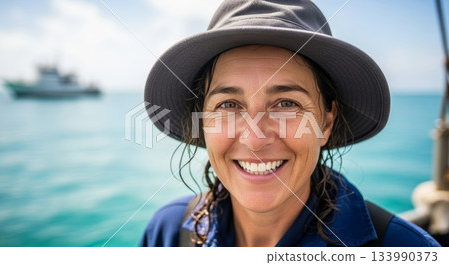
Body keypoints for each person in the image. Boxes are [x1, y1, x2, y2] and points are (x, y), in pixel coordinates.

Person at [139, 0, 441, 247]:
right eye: (228, 105)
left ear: (325, 121)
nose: (255, 140)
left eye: (286, 104)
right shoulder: (168, 234)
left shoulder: (404, 248)